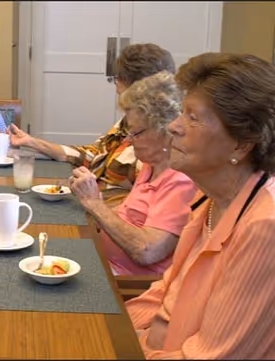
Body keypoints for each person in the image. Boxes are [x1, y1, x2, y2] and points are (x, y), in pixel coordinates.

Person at [126, 53, 275, 359]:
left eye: (192, 117)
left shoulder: (263, 227)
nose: (174, 127)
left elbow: (211, 355)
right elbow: (165, 295)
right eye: (181, 113)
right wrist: (106, 327)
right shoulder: (208, 199)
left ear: (242, 143)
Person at [8, 44, 176, 203]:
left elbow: (140, 211)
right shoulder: (130, 121)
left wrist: (94, 202)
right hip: (93, 207)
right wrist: (32, 142)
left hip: (103, 219)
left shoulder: (155, 140)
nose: (116, 85)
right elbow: (92, 155)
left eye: (118, 78)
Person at [69, 71, 197, 275]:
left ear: (165, 130)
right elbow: (130, 215)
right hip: (105, 263)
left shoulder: (181, 179)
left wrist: (94, 205)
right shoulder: (152, 164)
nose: (128, 140)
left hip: (128, 284)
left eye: (136, 133)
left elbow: (147, 251)